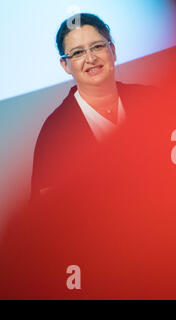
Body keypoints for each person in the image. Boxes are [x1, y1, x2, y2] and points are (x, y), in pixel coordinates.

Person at [31, 13, 153, 200]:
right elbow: (50, 215)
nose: (90, 58)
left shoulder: (151, 99)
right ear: (65, 65)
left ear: (112, 50)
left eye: (97, 46)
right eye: (78, 53)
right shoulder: (55, 134)